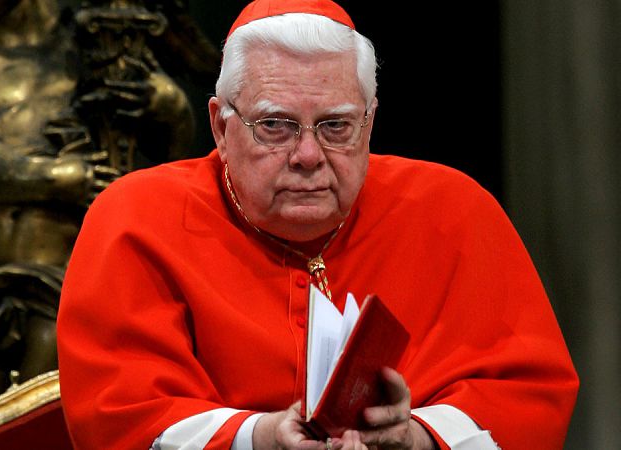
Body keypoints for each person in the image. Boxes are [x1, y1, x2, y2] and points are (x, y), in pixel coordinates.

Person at [56, 0, 579, 449]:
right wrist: (259, 436)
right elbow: (117, 414)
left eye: (335, 126)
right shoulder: (136, 219)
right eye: (276, 126)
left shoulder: (454, 210)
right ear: (220, 125)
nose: (308, 155)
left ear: (369, 122)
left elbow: (528, 395)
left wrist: (416, 435)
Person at [0, 0, 193, 405]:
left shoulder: (94, 51)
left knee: (45, 417)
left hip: (69, 281)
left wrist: (166, 105)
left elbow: (175, 150)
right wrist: (62, 178)